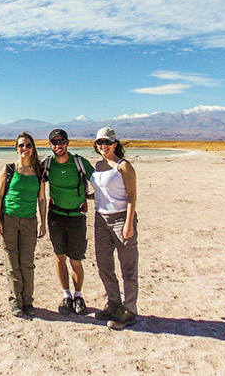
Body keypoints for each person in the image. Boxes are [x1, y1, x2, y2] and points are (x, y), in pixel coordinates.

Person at [89, 126, 139, 330]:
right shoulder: (98, 165)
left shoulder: (123, 166)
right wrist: (84, 198)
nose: (103, 146)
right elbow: (101, 193)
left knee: (128, 267)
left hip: (120, 219)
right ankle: (114, 303)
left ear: (115, 144)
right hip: (101, 219)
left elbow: (132, 196)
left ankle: (130, 310)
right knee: (104, 265)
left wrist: (128, 223)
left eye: (107, 142)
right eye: (100, 143)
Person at [0, 132, 47, 317]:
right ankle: (16, 302)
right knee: (12, 264)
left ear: (33, 149)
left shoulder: (39, 171)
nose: (25, 149)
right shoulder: (9, 169)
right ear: (16, 148)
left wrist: (43, 222)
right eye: (21, 145)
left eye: (28, 145)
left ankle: (28, 302)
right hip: (9, 220)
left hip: (29, 222)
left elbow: (41, 199)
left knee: (27, 264)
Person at [44, 128, 94, 316]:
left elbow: (102, 183)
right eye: (54, 142)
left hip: (77, 217)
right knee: (59, 257)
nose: (58, 145)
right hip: (56, 216)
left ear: (67, 143)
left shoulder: (80, 163)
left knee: (76, 259)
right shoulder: (47, 164)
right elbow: (34, 184)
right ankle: (67, 296)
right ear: (50, 145)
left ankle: (78, 295)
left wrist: (87, 198)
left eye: (61, 141)